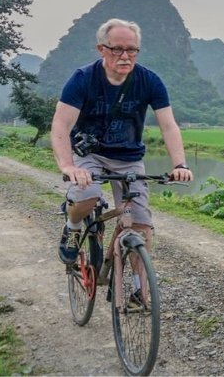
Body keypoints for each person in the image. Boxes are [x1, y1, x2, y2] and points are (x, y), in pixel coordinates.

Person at [51, 18, 193, 265]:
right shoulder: (83, 78)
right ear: (102, 49)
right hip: (90, 153)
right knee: (88, 194)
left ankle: (140, 293)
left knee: (141, 226)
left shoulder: (149, 80)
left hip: (128, 157)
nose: (125, 56)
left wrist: (180, 164)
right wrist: (68, 166)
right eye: (117, 49)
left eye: (132, 50)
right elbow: (61, 126)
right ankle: (73, 227)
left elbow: (168, 126)